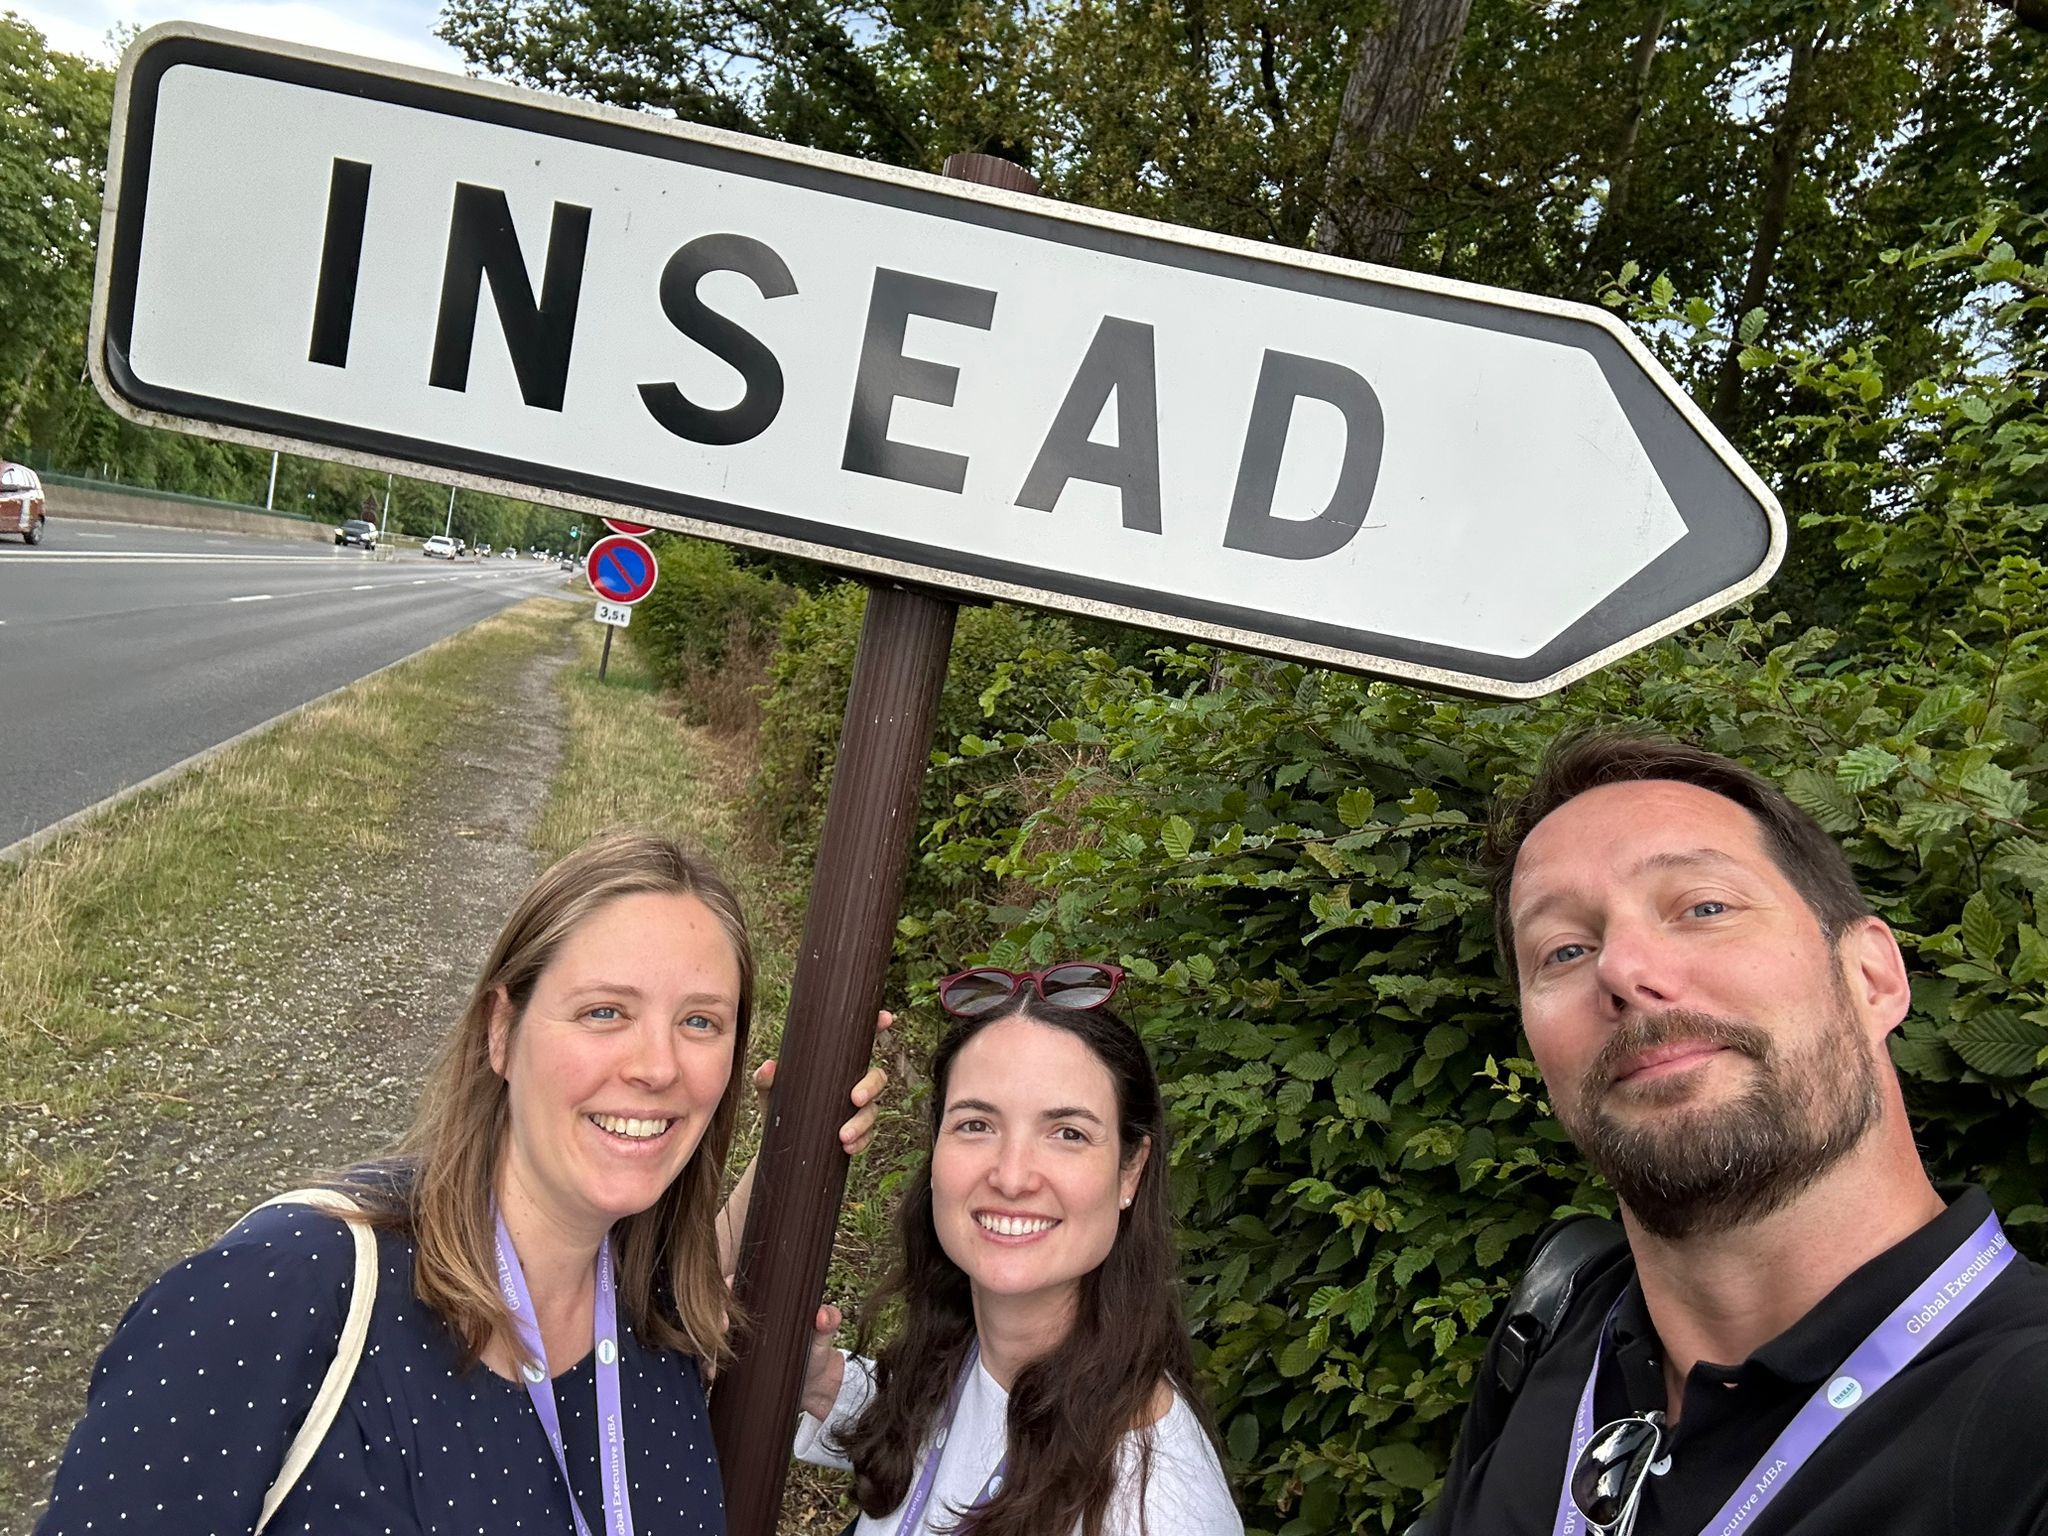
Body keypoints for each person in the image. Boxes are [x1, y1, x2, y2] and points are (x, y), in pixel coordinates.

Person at [35, 831, 888, 1536]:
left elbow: (687, 1261)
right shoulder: (284, 1292)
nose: (659, 1065)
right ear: (502, 1030)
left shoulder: (654, 1324)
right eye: (604, 1012)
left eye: (700, 1022)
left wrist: (793, 1142)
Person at [1436, 731, 2048, 1535]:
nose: (1621, 970)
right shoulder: (1559, 1335)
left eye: (1705, 907)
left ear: (1872, 978)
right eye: (1565, 950)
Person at [789, 962, 1243, 1536]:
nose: (1011, 1176)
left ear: (1131, 1171)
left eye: (1068, 1133)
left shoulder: (1160, 1512)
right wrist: (821, 1380)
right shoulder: (969, 1352)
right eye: (977, 1124)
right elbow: (953, 1432)